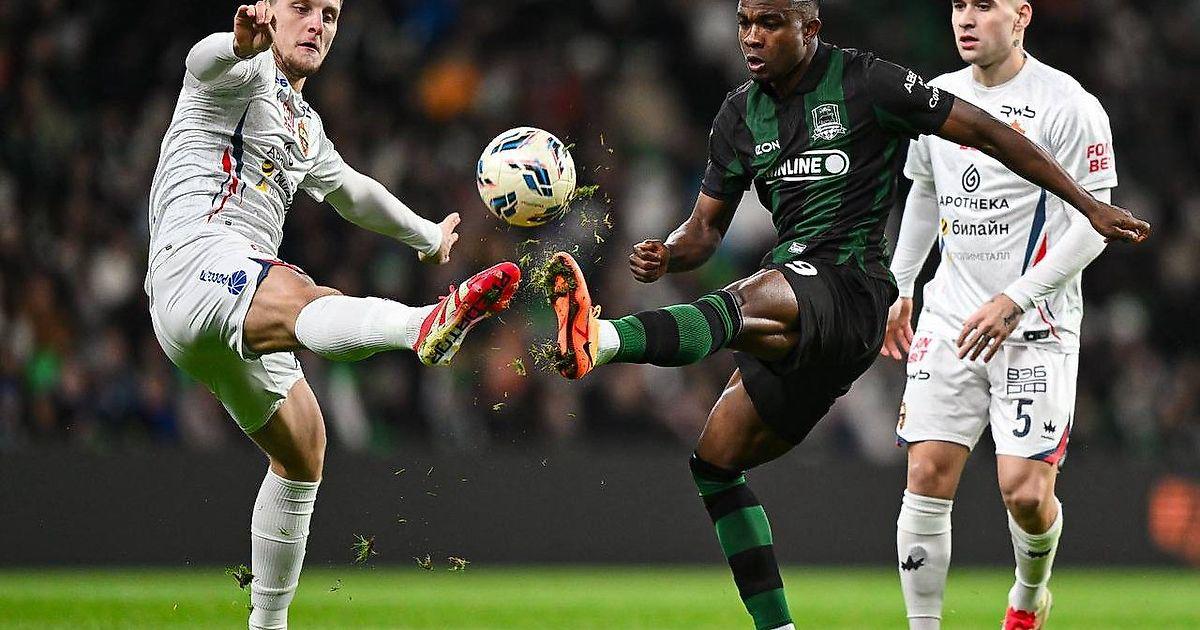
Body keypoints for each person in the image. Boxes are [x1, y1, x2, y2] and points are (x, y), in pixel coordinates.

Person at [544, 1, 1148, 628]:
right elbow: (704, 230)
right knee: (718, 464)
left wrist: (1088, 206)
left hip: (861, 291)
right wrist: (668, 254)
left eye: (770, 23)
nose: (752, 37)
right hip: (846, 311)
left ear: (809, 29)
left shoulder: (872, 83)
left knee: (745, 302)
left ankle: (603, 339)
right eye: (745, 23)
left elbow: (991, 134)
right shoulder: (739, 114)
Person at [145, 2, 519, 627]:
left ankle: (267, 625)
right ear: (268, 10)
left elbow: (350, 190)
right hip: (195, 261)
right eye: (302, 8)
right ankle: (421, 325)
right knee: (303, 295)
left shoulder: (303, 124)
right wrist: (237, 43)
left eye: (330, 14)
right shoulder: (240, 70)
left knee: (304, 448)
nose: (317, 24)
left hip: (227, 304)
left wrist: (427, 235)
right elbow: (201, 61)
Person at [881, 1, 1118, 628]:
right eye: (958, 5)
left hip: (1036, 323)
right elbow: (924, 191)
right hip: (950, 317)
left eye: (984, 6)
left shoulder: (1069, 105)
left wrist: (1017, 299)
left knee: (1025, 493)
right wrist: (903, 285)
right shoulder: (935, 98)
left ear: (1021, 16)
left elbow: (1094, 223)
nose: (965, 18)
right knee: (926, 471)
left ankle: (1027, 593)